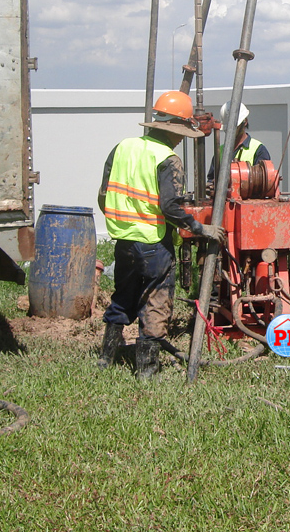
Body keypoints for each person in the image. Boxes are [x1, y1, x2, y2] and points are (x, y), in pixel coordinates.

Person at [97, 91, 227, 378]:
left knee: (123, 295)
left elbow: (103, 194)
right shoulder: (168, 159)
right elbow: (169, 207)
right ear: (173, 129)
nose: (181, 139)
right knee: (156, 302)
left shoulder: (122, 147)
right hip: (154, 244)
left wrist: (122, 222)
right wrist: (200, 228)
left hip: (124, 242)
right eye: (181, 132)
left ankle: (106, 357)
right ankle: (147, 369)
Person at [207, 100, 270, 185]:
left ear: (245, 122)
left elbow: (264, 182)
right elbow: (211, 181)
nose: (230, 131)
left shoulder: (258, 150)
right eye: (228, 128)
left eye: (234, 128)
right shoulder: (220, 151)